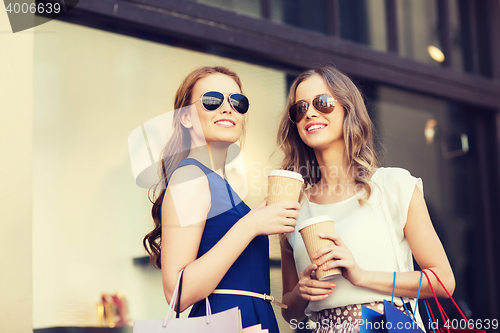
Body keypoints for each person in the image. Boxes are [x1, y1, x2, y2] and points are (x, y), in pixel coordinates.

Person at [277, 66, 455, 333]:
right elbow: (290, 317)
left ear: (348, 109)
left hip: (386, 326)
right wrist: (302, 292)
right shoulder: (293, 208)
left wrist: (362, 276)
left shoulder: (393, 185)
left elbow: (443, 281)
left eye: (322, 103)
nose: (310, 113)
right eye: (299, 109)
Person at [143, 66, 299, 332]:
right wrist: (251, 225)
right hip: (225, 322)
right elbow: (177, 294)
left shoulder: (220, 185)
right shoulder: (190, 176)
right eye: (212, 100)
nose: (228, 109)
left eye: (237, 102)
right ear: (186, 118)